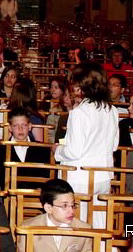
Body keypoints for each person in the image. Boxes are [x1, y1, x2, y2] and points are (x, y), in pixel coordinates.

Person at [53, 62, 119, 228]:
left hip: (79, 177)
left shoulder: (79, 112)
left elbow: (74, 151)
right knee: (99, 223)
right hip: (103, 175)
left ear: (82, 86)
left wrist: (58, 150)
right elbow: (114, 146)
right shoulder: (112, 110)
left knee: (75, 224)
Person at [16, 179, 92, 252]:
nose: (71, 211)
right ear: (48, 208)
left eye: (72, 205)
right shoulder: (27, 228)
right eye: (64, 206)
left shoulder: (85, 229)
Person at [0, 107, 51, 189]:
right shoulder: (1, 151)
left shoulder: (42, 150)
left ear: (30, 126)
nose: (20, 129)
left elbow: (46, 177)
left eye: (24, 125)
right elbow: (1, 178)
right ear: (10, 128)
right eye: (15, 126)